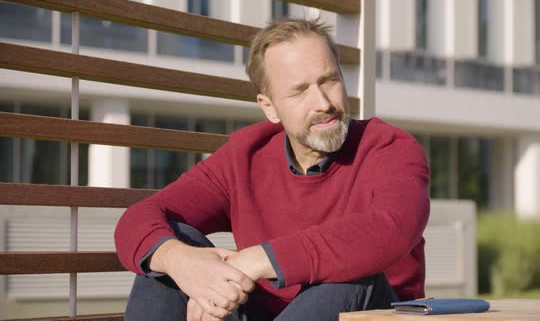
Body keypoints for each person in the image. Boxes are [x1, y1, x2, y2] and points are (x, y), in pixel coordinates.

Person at [114, 18, 430, 321]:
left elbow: (393, 227)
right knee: (167, 252)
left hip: (372, 312)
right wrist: (187, 268)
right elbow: (138, 219)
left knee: (353, 276)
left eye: (329, 80)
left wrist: (258, 259)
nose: (322, 102)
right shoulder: (245, 157)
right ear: (269, 107)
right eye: (299, 91)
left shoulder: (390, 148)